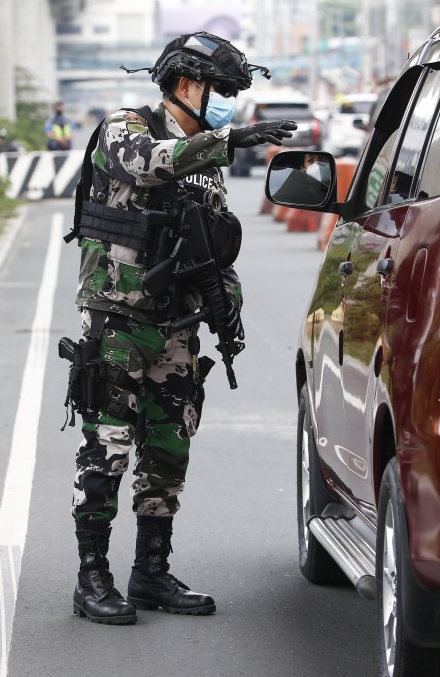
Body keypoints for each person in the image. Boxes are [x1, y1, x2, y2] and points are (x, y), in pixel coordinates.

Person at [62, 31, 296, 625]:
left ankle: (151, 572)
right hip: (117, 318)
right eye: (221, 91)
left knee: (168, 449)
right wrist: (227, 140)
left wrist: (228, 302)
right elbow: (148, 167)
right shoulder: (128, 128)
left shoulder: (206, 159)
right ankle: (92, 577)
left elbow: (213, 242)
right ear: (186, 84)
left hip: (176, 325)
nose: (228, 104)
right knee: (108, 448)